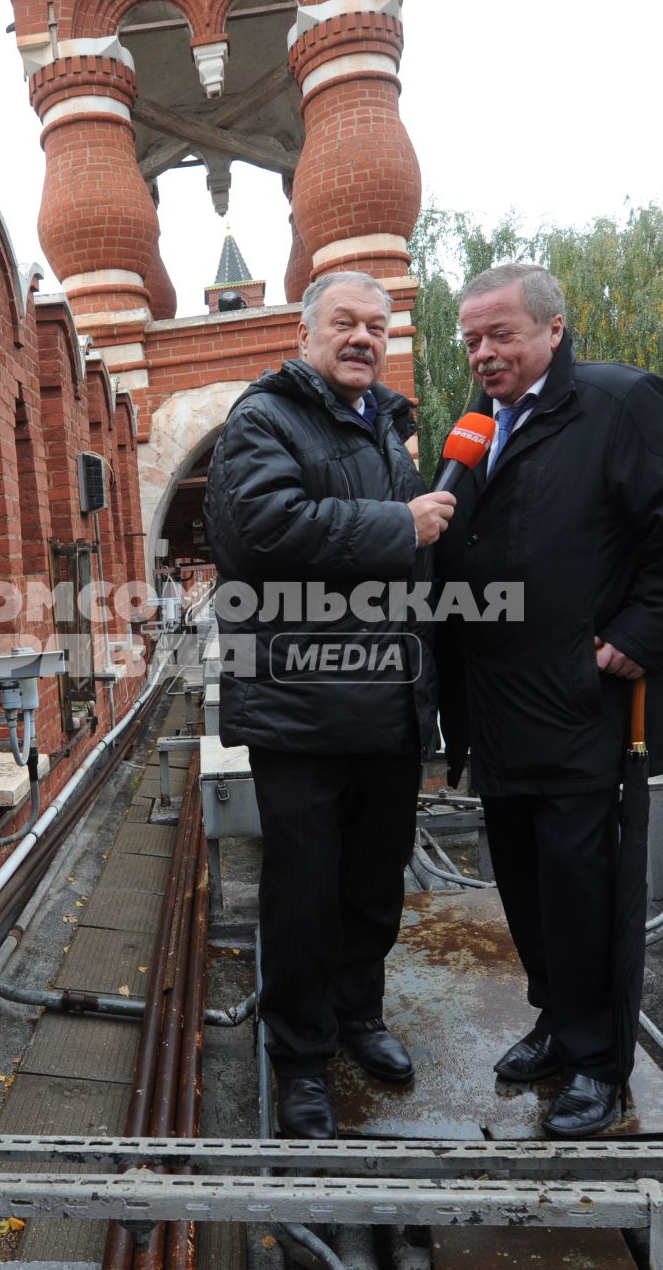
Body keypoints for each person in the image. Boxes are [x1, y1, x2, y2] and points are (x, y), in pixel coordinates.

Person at [433, 263, 663, 1137]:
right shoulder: (481, 426)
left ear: (554, 329)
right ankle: (556, 1023)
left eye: (502, 335)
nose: (484, 353)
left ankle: (600, 1061)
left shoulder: (618, 403)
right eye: (472, 340)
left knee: (583, 887)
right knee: (524, 887)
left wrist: (640, 634)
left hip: (581, 709)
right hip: (496, 710)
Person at [205, 270, 456, 1139]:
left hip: (387, 705)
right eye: (344, 323)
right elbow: (263, 533)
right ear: (306, 332)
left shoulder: (385, 426)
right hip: (300, 707)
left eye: (376, 327)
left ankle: (360, 1015)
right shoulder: (263, 420)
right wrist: (401, 525)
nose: (362, 338)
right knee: (305, 892)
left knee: (373, 882)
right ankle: (301, 1055)